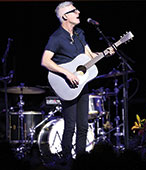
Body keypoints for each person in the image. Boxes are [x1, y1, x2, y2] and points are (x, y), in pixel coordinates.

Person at [41, 1, 114, 161]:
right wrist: (67, 73)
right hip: (66, 84)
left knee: (83, 125)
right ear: (65, 16)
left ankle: (81, 161)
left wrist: (104, 53)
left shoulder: (80, 33)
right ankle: (66, 160)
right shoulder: (56, 37)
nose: (78, 12)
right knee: (70, 125)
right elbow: (45, 61)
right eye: (74, 11)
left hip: (82, 83)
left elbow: (89, 56)